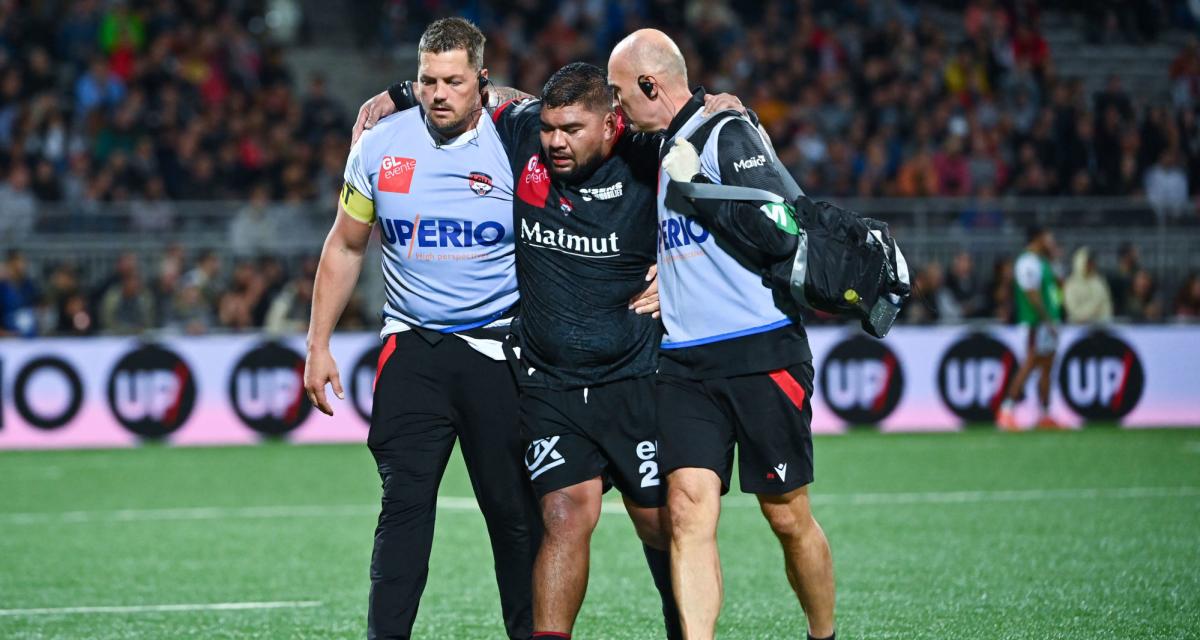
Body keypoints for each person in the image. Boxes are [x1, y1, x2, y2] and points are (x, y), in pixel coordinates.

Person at [361, 61, 747, 639]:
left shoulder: (652, 156)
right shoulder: (524, 135)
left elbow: (735, 204)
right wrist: (398, 92)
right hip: (550, 384)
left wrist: (681, 269)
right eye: (550, 127)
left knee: (659, 525)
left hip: (634, 378)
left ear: (613, 122)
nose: (556, 141)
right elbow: (480, 92)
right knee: (562, 516)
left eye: (572, 128)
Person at [303, 19, 541, 640]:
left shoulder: (517, 138)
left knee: (514, 519)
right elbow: (347, 246)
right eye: (427, 81)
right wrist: (318, 344)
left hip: (501, 350)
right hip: (411, 350)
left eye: (454, 82)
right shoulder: (380, 145)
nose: (438, 93)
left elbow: (561, 107)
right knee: (403, 508)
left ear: (482, 83)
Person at [608, 29, 835, 640]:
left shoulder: (726, 134)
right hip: (683, 365)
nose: (615, 104)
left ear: (651, 84)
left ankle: (824, 634)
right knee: (686, 513)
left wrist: (702, 193)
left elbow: (784, 230)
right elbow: (559, 107)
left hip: (762, 350)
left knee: (788, 518)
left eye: (621, 90)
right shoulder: (659, 147)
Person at [996, 226, 1064, 431]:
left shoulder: (1044, 262)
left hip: (1047, 321)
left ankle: (1044, 414)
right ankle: (1006, 410)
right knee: (1030, 363)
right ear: (1038, 238)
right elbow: (1031, 293)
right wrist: (1047, 319)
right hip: (1035, 322)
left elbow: (1055, 290)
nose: (1051, 241)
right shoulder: (1027, 262)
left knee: (1047, 366)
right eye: (1048, 237)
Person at [1063, 246, 1113, 323]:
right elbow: (1073, 310)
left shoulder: (1099, 281)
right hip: (1078, 328)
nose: (1092, 265)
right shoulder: (1071, 284)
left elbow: (1107, 306)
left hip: (1100, 327)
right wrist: (1093, 310)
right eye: (1088, 262)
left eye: (1092, 262)